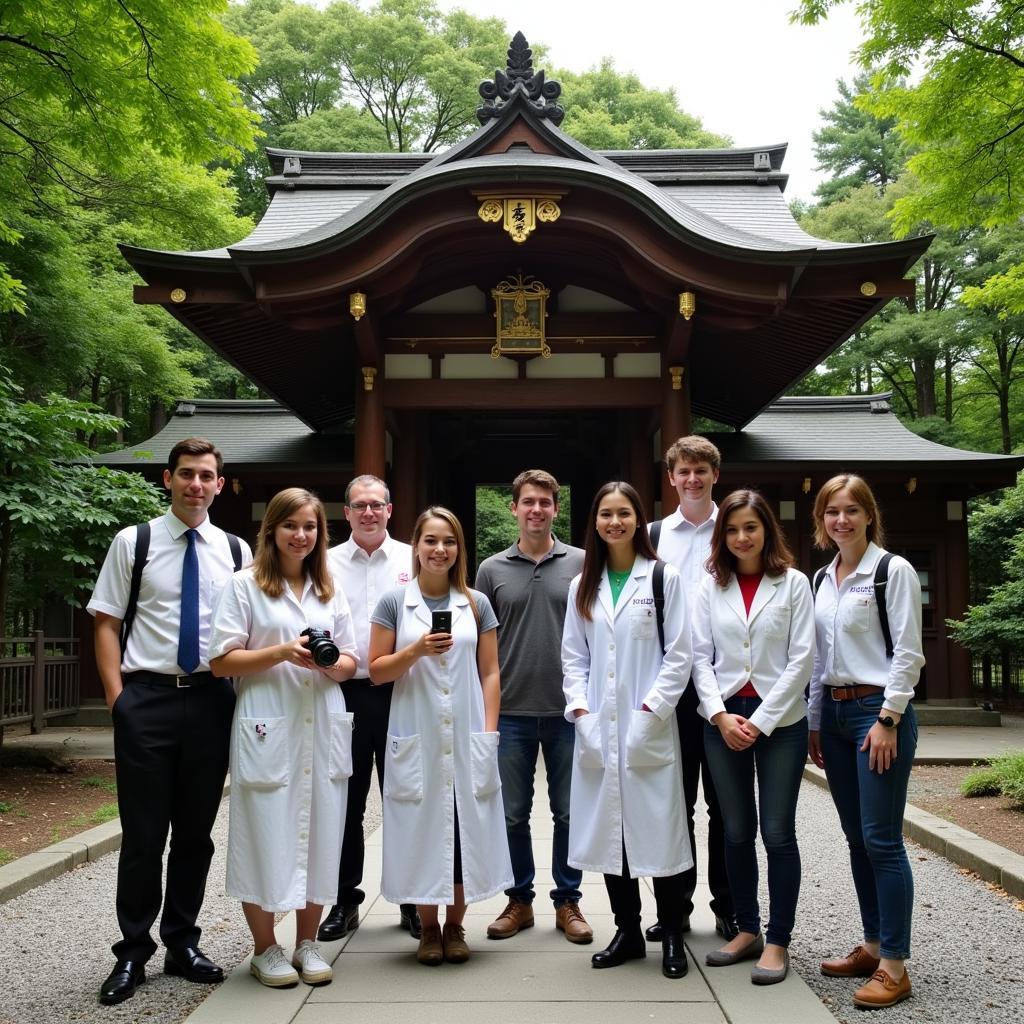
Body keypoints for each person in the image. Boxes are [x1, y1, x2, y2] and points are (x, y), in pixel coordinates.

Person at [88, 437, 252, 1005]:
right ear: (168, 479)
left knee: (195, 835)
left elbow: (251, 629)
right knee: (142, 834)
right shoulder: (133, 542)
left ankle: (182, 940)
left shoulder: (235, 552)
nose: (196, 485)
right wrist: (118, 699)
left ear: (220, 484)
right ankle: (133, 949)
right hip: (147, 699)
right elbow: (107, 621)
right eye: (187, 474)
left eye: (207, 475)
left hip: (211, 699)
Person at [209, 488, 358, 988]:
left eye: (311, 527)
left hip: (322, 720)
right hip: (267, 723)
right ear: (271, 529)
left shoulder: (330, 589)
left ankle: (308, 942)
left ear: (321, 534)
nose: (301, 535)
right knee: (264, 831)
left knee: (322, 831)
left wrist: (330, 662)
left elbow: (353, 660)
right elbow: (222, 660)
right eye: (291, 525)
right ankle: (265, 948)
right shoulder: (244, 585)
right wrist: (279, 653)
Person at [368, 506, 512, 966]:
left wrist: (488, 731)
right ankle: (428, 929)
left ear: (458, 550)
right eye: (430, 540)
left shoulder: (475, 602)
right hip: (417, 733)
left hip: (468, 731)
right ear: (416, 546)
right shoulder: (395, 602)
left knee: (463, 829)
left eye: (448, 542)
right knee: (423, 829)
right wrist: (415, 649)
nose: (439, 550)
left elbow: (489, 672)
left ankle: (456, 925)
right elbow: (375, 672)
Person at [562, 481, 693, 980]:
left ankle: (673, 933)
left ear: (639, 519)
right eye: (605, 514)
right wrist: (581, 711)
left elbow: (679, 655)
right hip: (597, 726)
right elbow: (573, 657)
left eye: (623, 513)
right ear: (594, 522)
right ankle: (628, 931)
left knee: (660, 831)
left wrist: (651, 710)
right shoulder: (583, 585)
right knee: (609, 831)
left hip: (648, 725)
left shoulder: (663, 578)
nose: (614, 522)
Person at [808, 474, 924, 1010]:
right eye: (833, 511)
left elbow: (907, 652)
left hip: (874, 715)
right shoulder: (821, 578)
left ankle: (895, 967)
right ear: (821, 519)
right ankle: (874, 945)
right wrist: (812, 721)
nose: (842, 520)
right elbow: (816, 661)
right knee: (856, 839)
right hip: (832, 716)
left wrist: (889, 718)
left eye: (852, 510)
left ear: (869, 515)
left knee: (882, 840)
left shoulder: (890, 571)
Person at [691, 490, 814, 985]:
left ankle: (779, 940)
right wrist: (720, 715)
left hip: (779, 721)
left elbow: (802, 657)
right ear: (723, 537)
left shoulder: (793, 583)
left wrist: (760, 720)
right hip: (722, 718)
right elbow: (699, 657)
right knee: (735, 830)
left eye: (751, 528)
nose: (742, 537)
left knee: (778, 832)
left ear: (767, 531)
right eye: (733, 529)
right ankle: (747, 929)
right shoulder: (710, 585)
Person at [475, 470, 591, 944]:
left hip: (569, 710)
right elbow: (482, 645)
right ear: (514, 509)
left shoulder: (583, 563)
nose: (536, 509)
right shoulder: (491, 569)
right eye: (528, 502)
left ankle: (568, 900)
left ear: (556, 509)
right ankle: (518, 899)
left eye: (545, 502)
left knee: (569, 812)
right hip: (512, 709)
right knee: (510, 813)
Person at [319, 475, 420, 943]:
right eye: (359, 505)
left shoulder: (412, 558)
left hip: (402, 690)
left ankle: (413, 899)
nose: (368, 513)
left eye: (376, 505)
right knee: (349, 801)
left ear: (390, 509)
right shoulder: (326, 562)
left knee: (405, 797)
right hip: (346, 692)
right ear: (347, 512)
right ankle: (344, 900)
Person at [647, 435, 736, 944]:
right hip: (673, 687)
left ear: (714, 475)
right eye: (684, 471)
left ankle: (730, 906)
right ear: (672, 477)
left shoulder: (738, 526)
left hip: (726, 687)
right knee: (673, 801)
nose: (693, 479)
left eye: (702, 470)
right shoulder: (655, 534)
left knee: (726, 804)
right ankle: (674, 907)